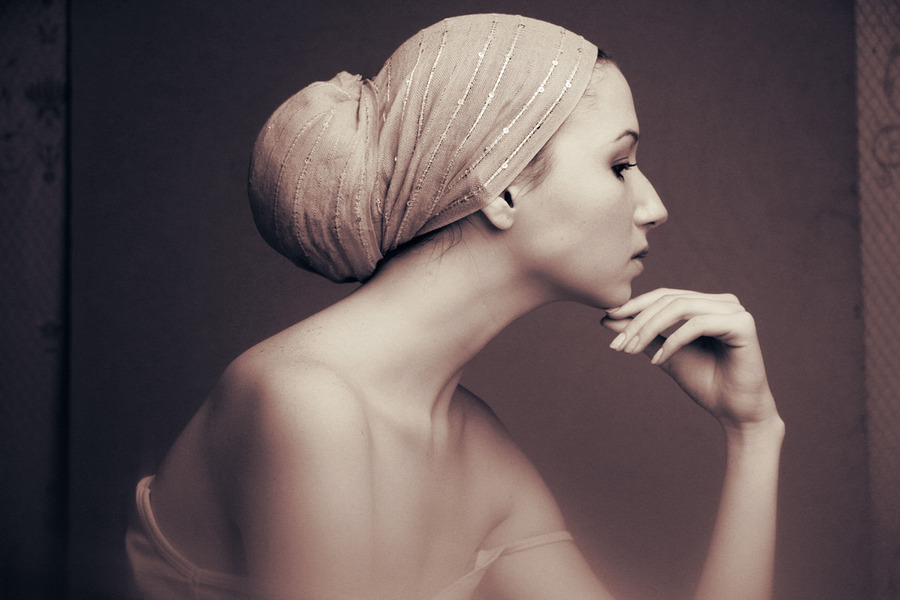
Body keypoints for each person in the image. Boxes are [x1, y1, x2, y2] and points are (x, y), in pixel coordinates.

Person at [125, 13, 784, 600]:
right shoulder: (306, 403)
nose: (653, 207)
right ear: (500, 187)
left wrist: (753, 435)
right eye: (619, 165)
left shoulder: (473, 445)